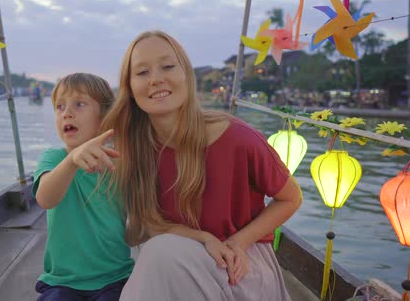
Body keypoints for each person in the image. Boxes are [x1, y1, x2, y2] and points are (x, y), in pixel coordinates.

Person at [97, 31, 303, 300]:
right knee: (158, 252)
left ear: (186, 75)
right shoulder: (134, 148)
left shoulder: (238, 138)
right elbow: (148, 223)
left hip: (240, 266)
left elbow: (291, 198)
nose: (156, 78)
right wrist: (204, 238)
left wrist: (238, 242)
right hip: (177, 256)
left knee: (161, 255)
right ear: (130, 88)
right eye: (142, 72)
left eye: (168, 66)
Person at [32, 73, 134, 301]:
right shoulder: (54, 158)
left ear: (105, 117)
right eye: (59, 107)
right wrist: (71, 161)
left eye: (79, 104)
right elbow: (45, 199)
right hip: (63, 281)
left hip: (115, 276)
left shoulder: (120, 160)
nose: (66, 112)